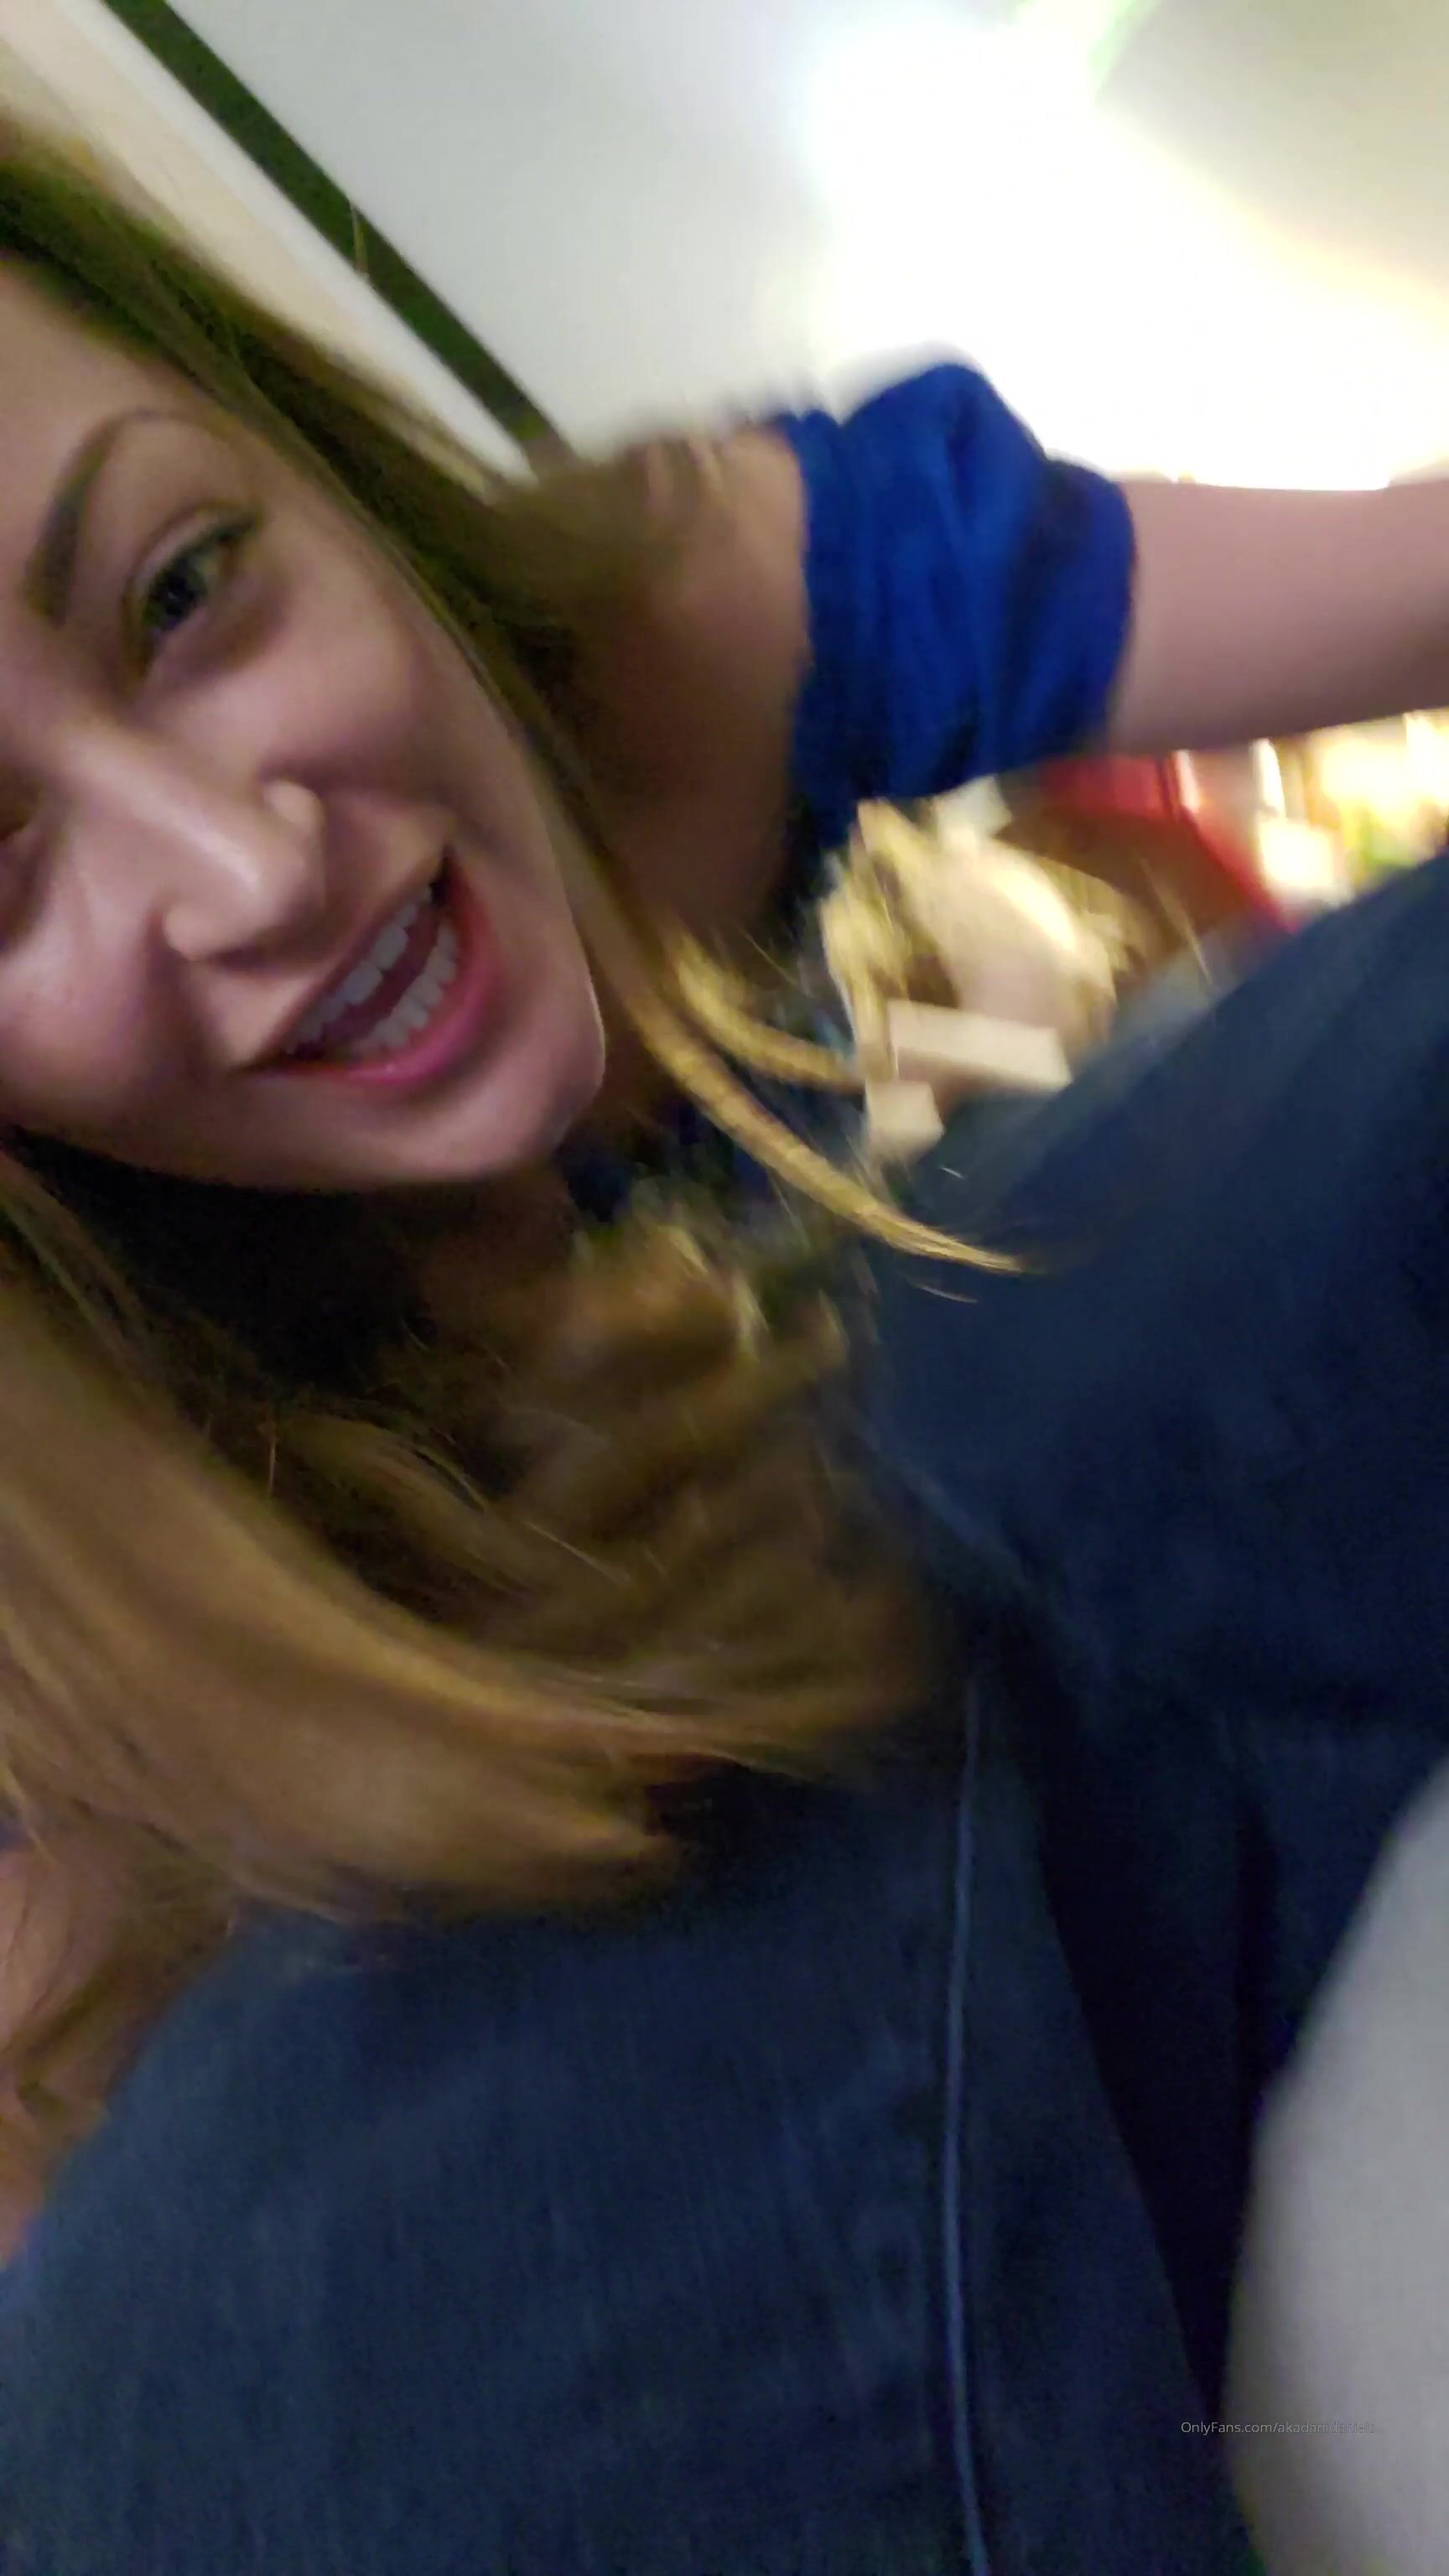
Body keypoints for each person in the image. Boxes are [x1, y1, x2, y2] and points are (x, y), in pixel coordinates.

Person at [0, 112, 1447, 2574]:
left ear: (297, 446)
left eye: (187, 588)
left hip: (905, 1533)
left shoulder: (679, 630)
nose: (252, 866)